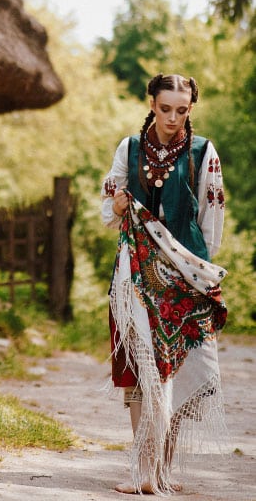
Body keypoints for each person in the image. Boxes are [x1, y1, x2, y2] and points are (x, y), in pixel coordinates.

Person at [100, 73, 228, 496]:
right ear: (151, 103)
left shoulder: (202, 152)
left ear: (191, 108)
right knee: (141, 368)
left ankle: (160, 467)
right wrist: (117, 204)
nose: (173, 118)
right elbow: (109, 202)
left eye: (182, 110)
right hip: (134, 272)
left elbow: (211, 219)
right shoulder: (130, 148)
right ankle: (141, 468)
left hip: (182, 275)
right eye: (165, 108)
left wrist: (200, 277)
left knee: (174, 369)